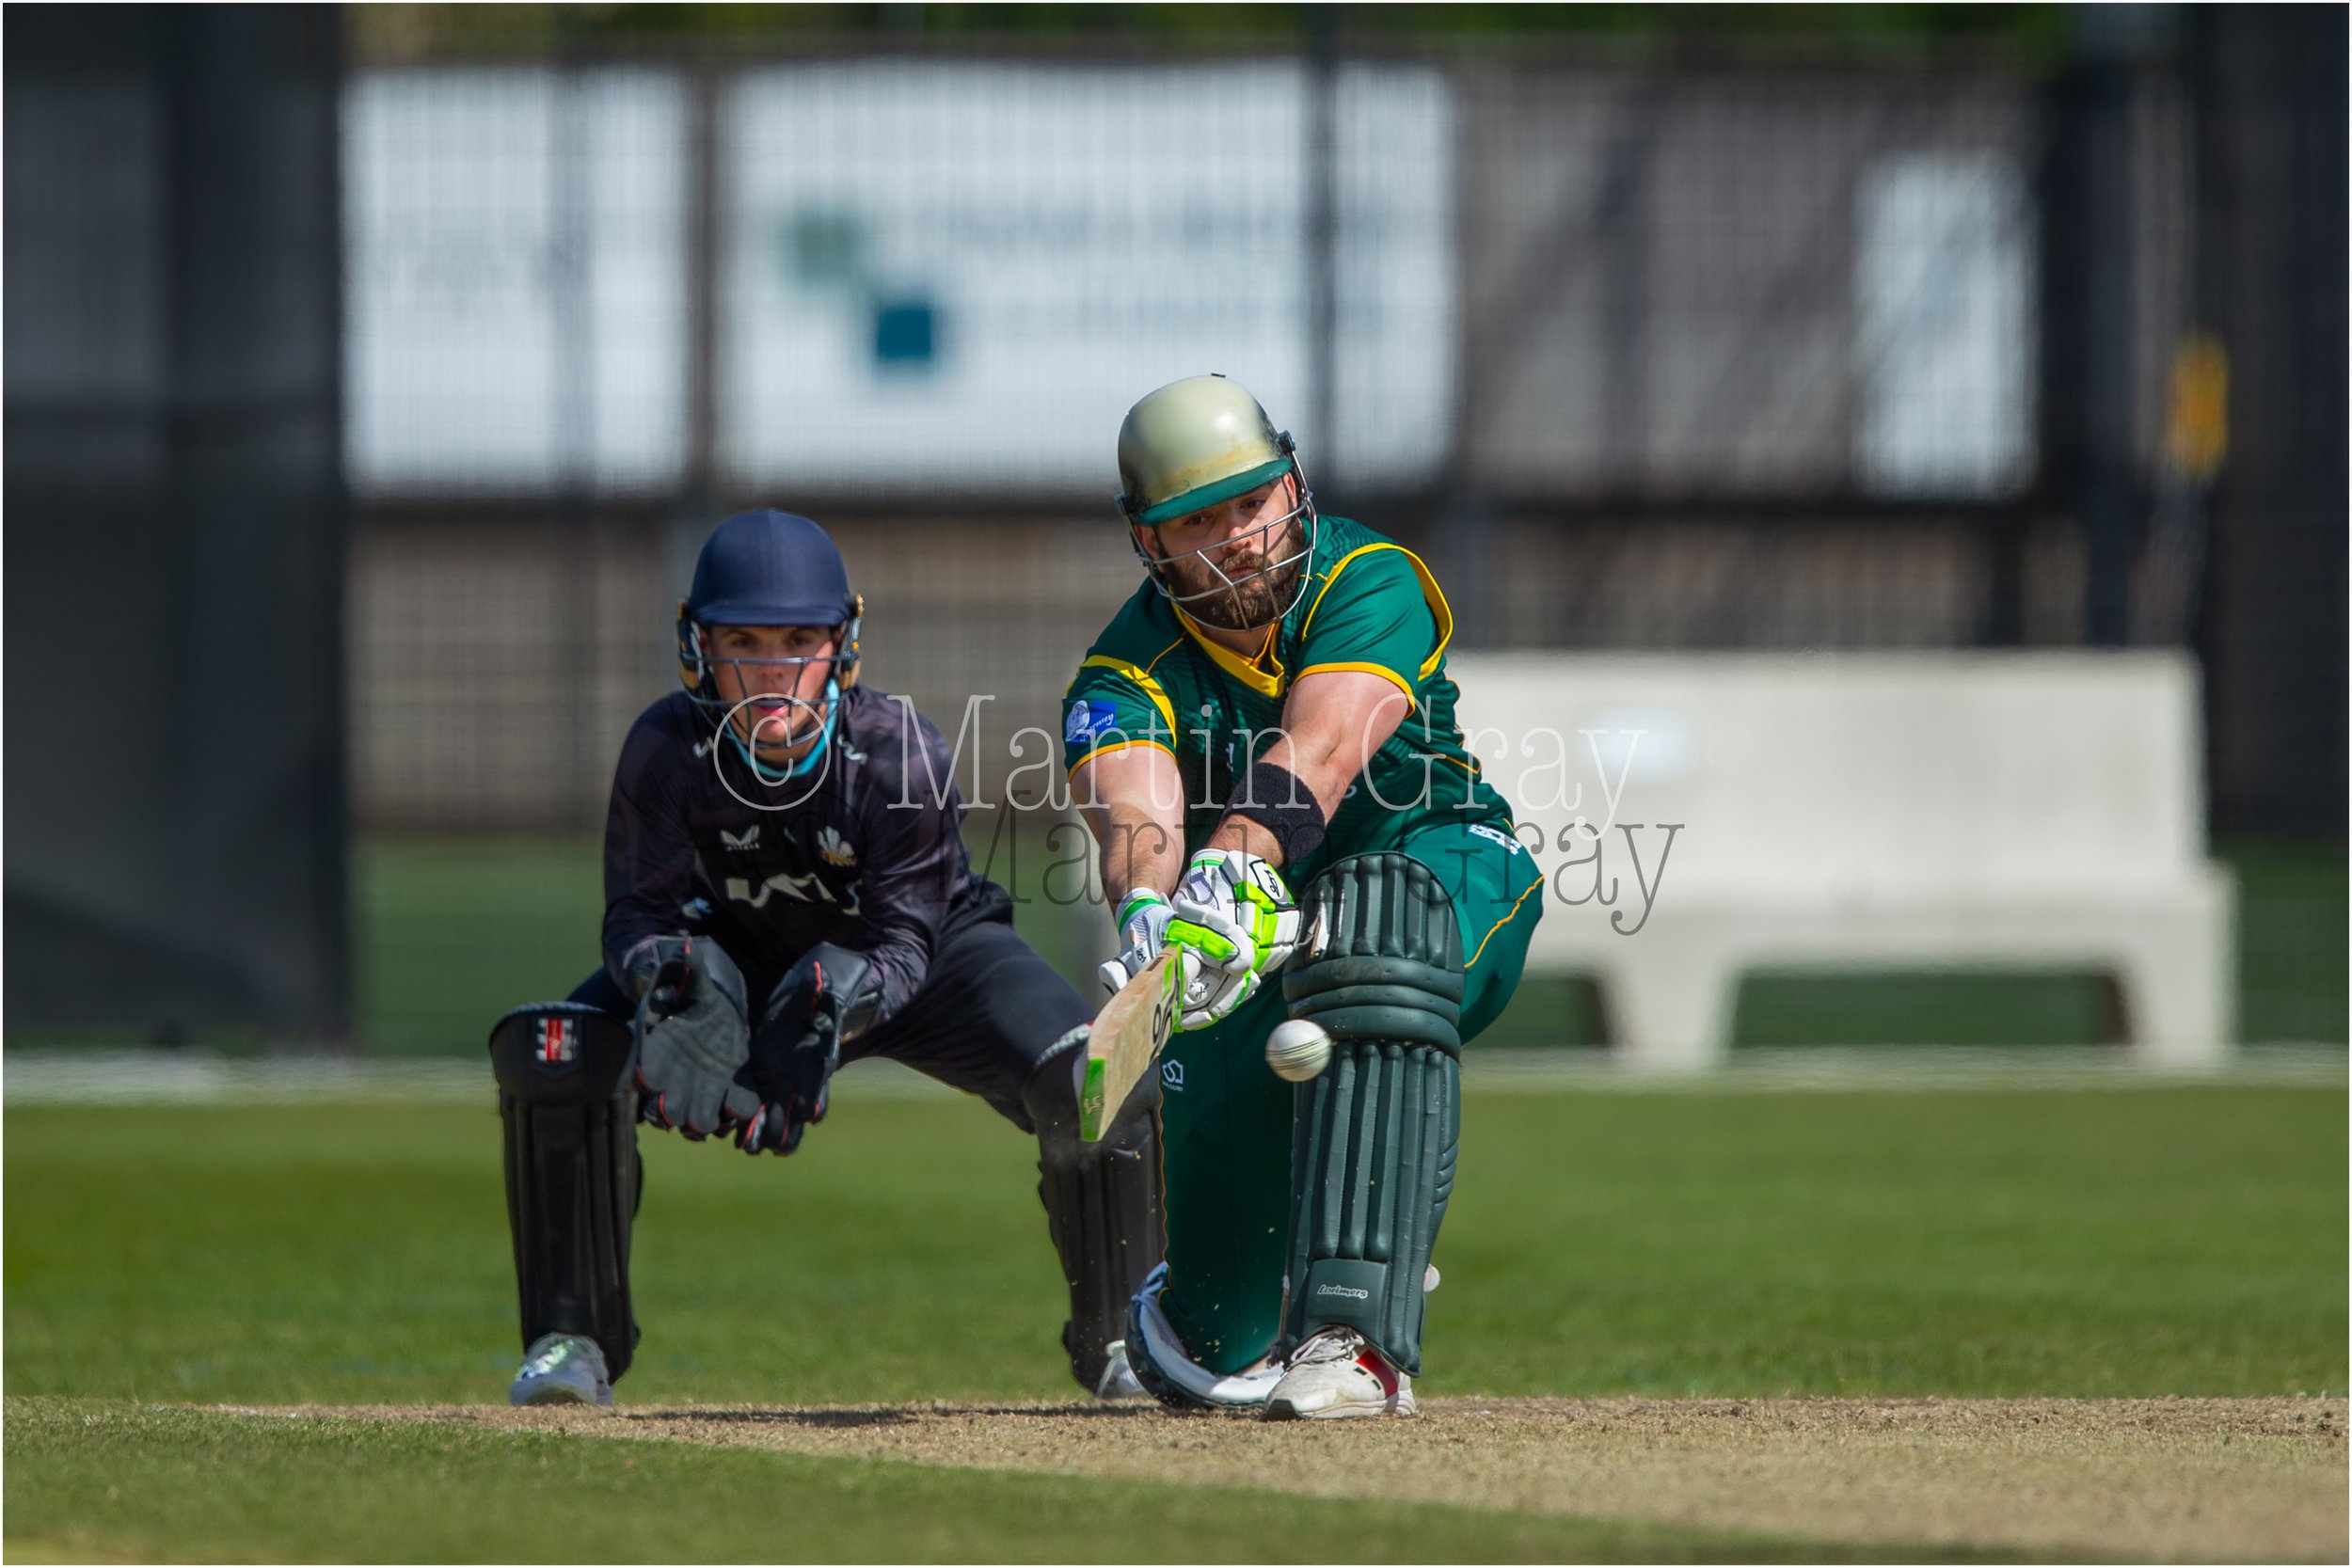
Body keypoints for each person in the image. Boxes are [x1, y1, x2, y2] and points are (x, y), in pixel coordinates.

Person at [487, 509, 1158, 1407]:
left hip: (922, 957)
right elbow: (635, 917)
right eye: (744, 642)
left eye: (799, 640)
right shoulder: (664, 749)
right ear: (698, 645)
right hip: (736, 955)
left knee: (1096, 1074)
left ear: (842, 645)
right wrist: (672, 977)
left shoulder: (896, 753)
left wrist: (846, 999)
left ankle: (1127, 1341)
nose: (773, 671)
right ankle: (569, 1341)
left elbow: (907, 938)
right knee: (557, 1054)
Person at [1062, 374, 1543, 1419]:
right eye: (1199, 520)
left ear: (1292, 483)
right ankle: (1209, 1310)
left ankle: (1354, 1338)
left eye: (1252, 502)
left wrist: (1228, 864)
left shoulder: (1369, 576)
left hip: (1442, 860)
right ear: (1149, 541)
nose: (1237, 539)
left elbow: (1319, 750)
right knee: (1213, 1341)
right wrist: (1151, 916)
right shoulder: (1119, 670)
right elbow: (1135, 812)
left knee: (1376, 933)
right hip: (1246, 931)